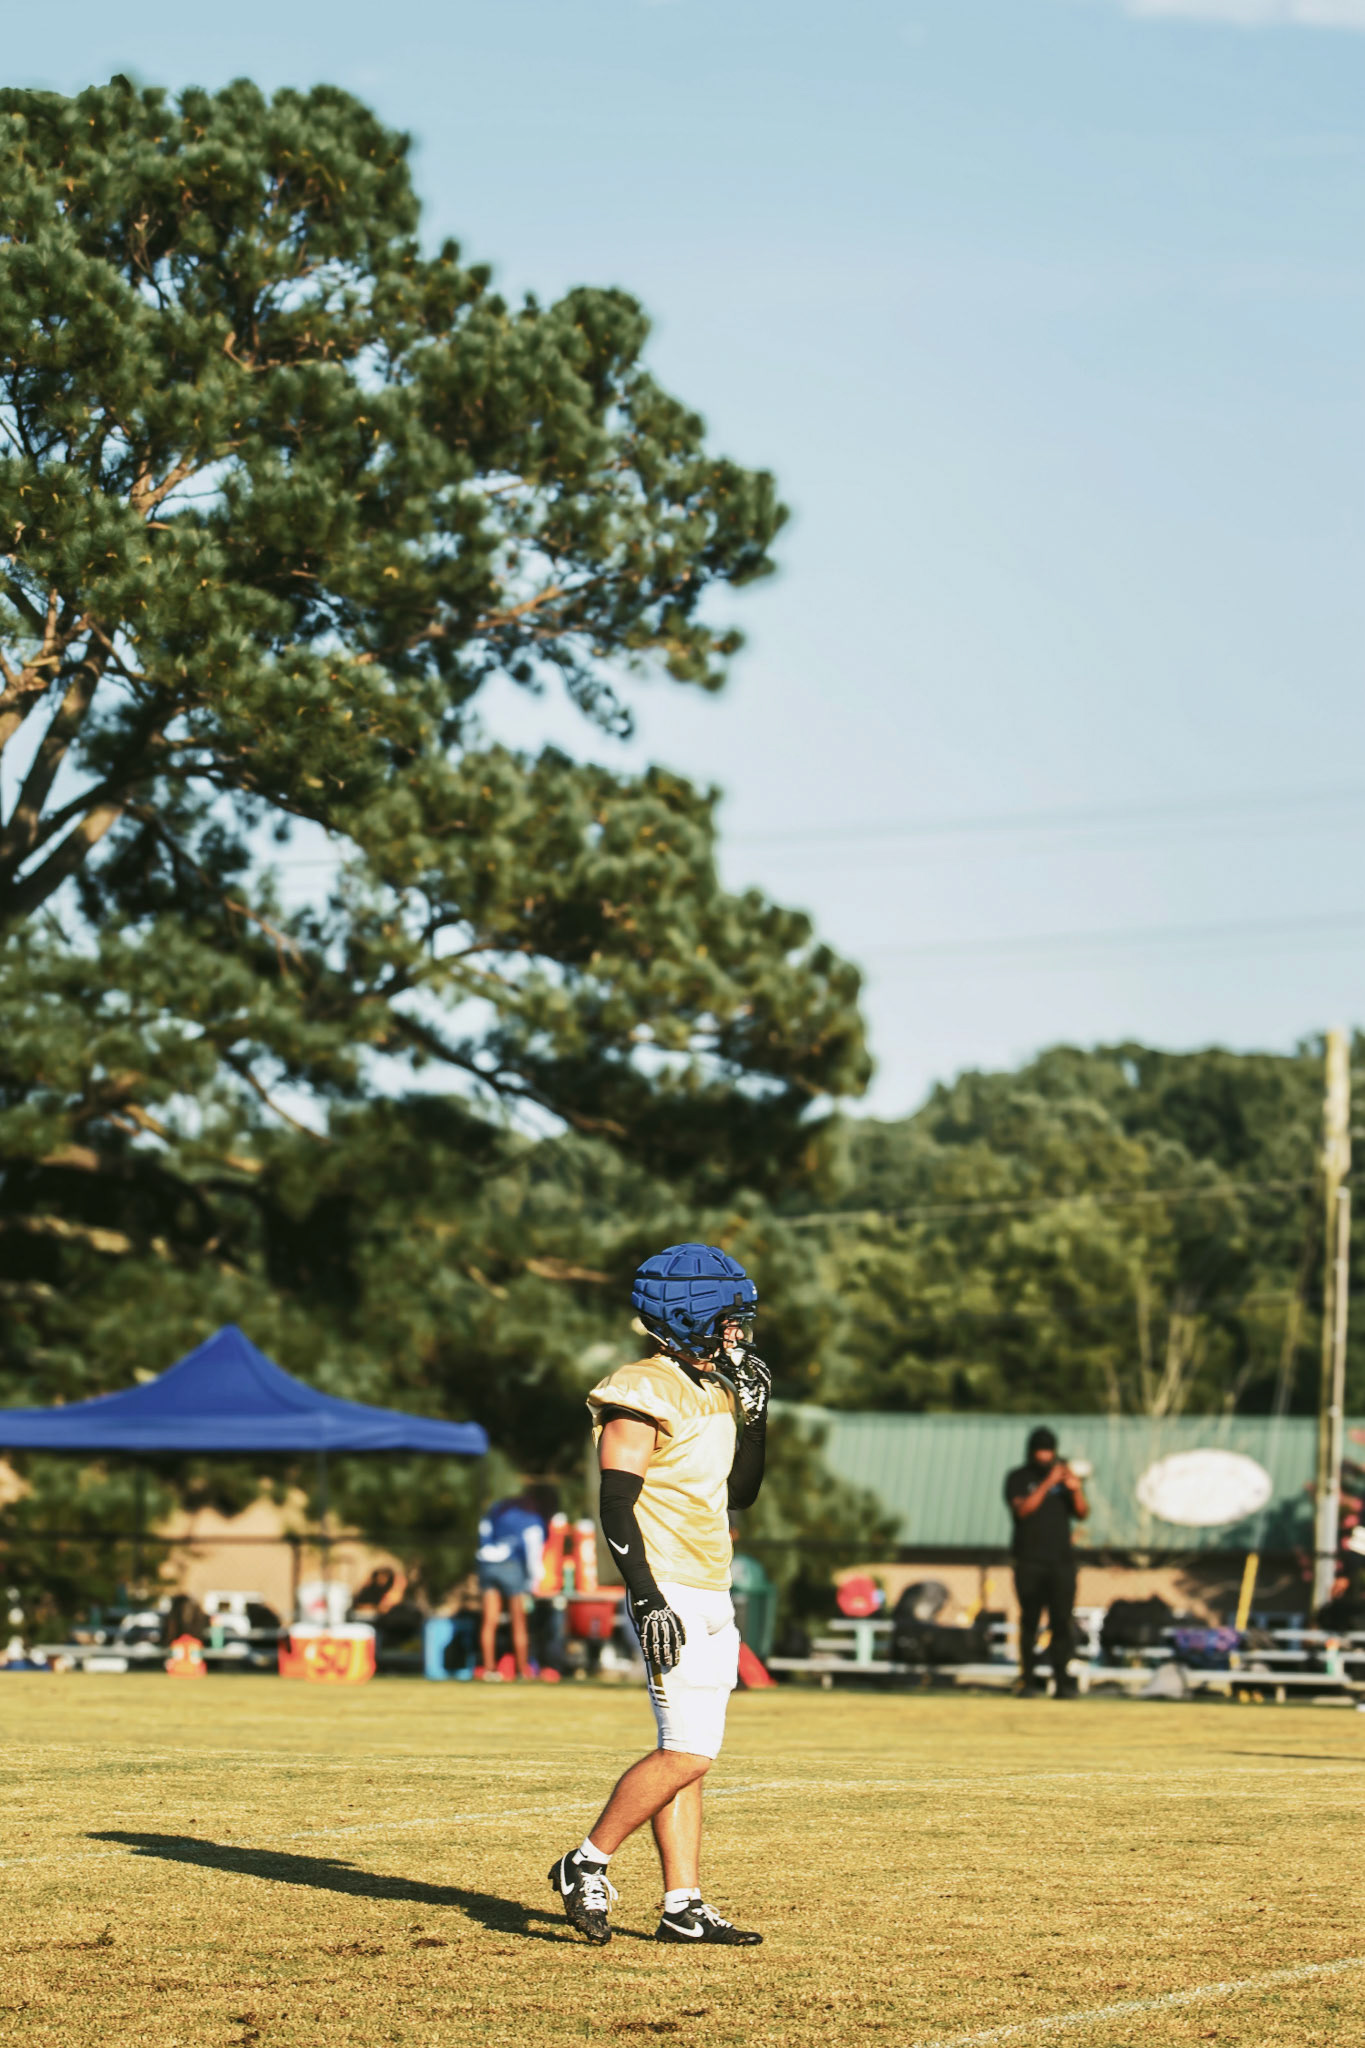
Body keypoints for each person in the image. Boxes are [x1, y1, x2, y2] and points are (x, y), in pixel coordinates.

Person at [547, 1242, 770, 1948]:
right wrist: (644, 1597)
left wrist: (757, 1416)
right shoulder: (638, 1388)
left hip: (711, 1583)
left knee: (687, 1754)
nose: (737, 1330)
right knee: (690, 1753)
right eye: (727, 1317)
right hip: (667, 1584)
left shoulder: (713, 1388)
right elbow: (615, 1504)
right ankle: (584, 1862)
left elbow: (741, 1494)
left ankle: (682, 1905)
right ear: (688, 1315)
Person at [1004, 1426, 1089, 1697]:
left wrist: (1075, 1489)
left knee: (1062, 1621)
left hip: (1061, 1562)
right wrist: (1048, 1483)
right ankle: (1027, 1681)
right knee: (1029, 1621)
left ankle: (1062, 1682)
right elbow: (1023, 1511)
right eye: (1040, 1450)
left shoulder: (1064, 1480)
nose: (1045, 1456)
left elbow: (1082, 1513)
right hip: (1029, 1561)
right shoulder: (1019, 1477)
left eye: (1049, 1450)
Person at [475, 1488, 546, 1680]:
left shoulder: (496, 1509)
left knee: (489, 1621)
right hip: (512, 1566)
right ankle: (523, 1670)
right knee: (519, 1622)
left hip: (487, 1564)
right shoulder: (530, 1517)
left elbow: (483, 1534)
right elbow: (533, 1552)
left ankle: (489, 1669)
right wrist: (534, 1580)